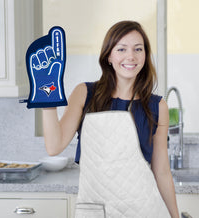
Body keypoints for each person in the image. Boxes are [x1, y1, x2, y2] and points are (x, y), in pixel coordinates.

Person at [42, 20, 179, 217]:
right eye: (121, 49)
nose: (130, 56)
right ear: (108, 56)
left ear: (145, 56)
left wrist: (175, 216)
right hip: (96, 210)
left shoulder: (157, 106)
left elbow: (162, 171)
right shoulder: (85, 93)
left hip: (144, 210)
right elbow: (54, 146)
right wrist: (46, 98)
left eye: (138, 49)